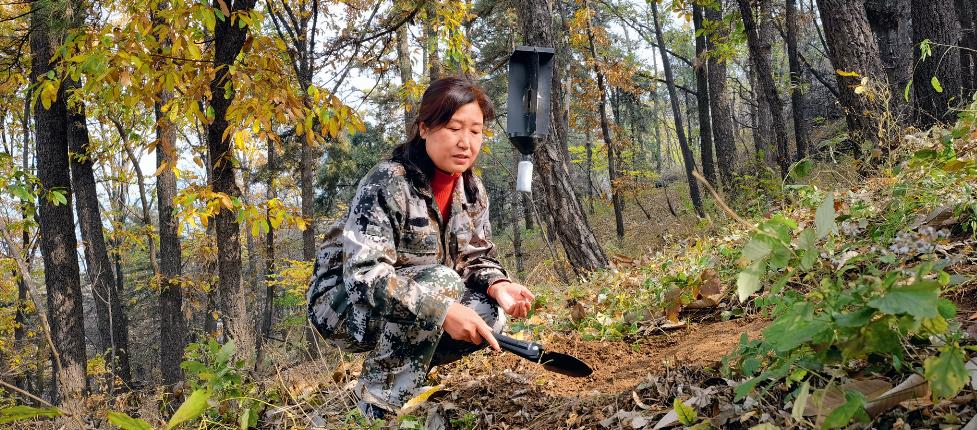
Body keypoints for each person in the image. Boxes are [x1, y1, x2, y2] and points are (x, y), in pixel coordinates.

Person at [307, 77, 535, 419]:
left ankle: (408, 373)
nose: (465, 142)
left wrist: (498, 286)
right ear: (424, 128)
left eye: (475, 131)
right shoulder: (388, 182)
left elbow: (475, 256)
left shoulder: (471, 190)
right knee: (441, 285)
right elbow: (363, 274)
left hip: (414, 293)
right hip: (343, 304)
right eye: (454, 128)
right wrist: (442, 312)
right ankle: (377, 405)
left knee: (489, 314)